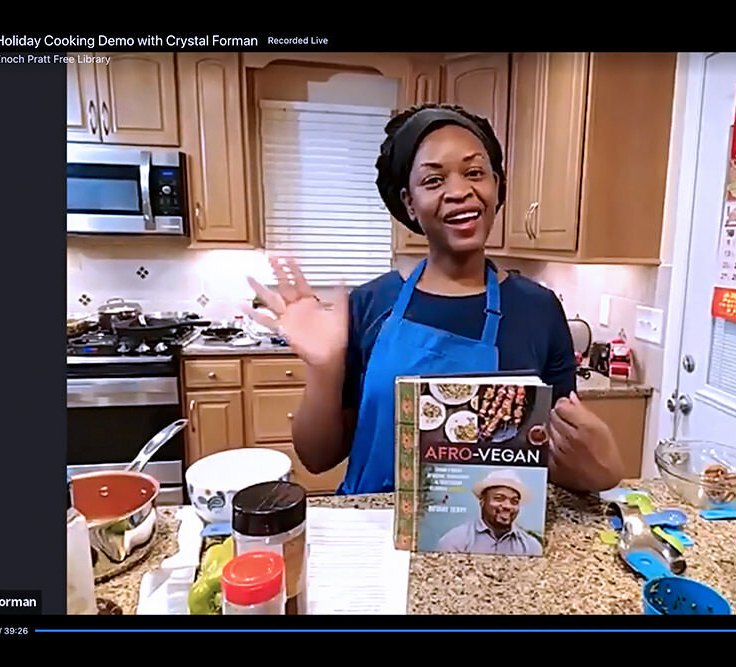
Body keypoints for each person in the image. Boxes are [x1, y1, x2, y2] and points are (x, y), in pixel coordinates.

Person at [246, 103, 625, 495]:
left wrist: (602, 471)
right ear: (409, 202)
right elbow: (317, 457)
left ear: (496, 186)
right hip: (375, 534)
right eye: (433, 181)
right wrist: (325, 369)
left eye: (475, 172)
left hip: (485, 536)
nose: (460, 191)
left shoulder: (538, 309)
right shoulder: (372, 302)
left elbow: (546, 453)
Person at [436, 469, 541, 555]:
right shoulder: (455, 541)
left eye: (514, 501)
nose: (507, 506)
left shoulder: (531, 547)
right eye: (499, 498)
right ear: (482, 501)